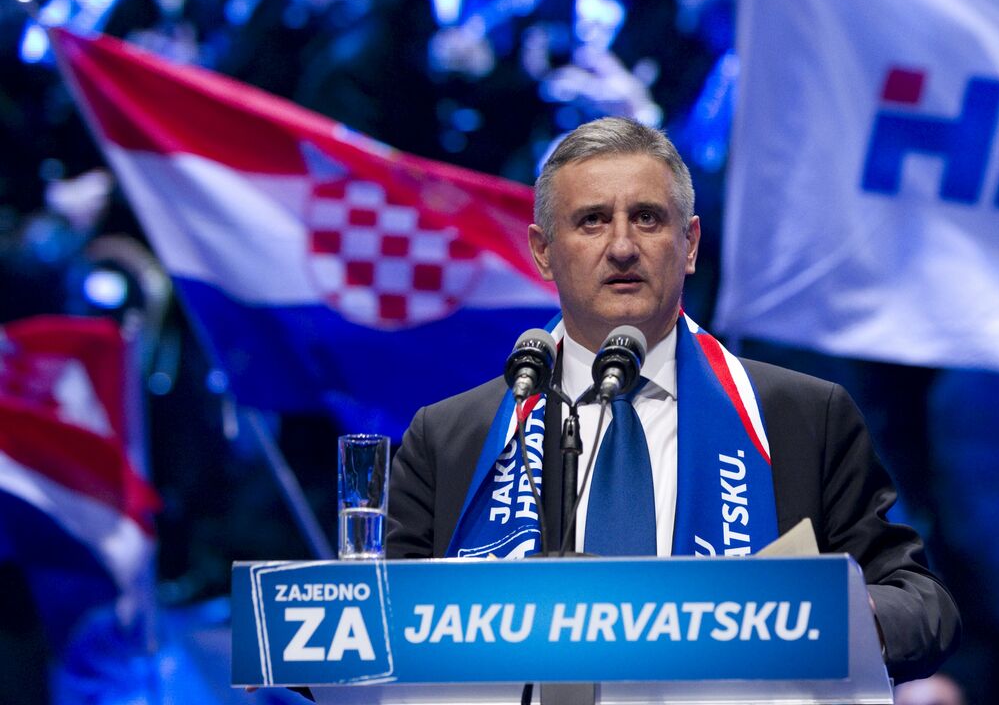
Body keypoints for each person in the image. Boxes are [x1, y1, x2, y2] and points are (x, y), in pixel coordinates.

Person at [386, 116, 961, 683]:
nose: (622, 247)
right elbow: (374, 630)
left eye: (647, 218)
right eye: (592, 221)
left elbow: (923, 606)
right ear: (543, 251)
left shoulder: (801, 417)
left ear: (689, 244)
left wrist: (840, 618)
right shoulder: (451, 436)